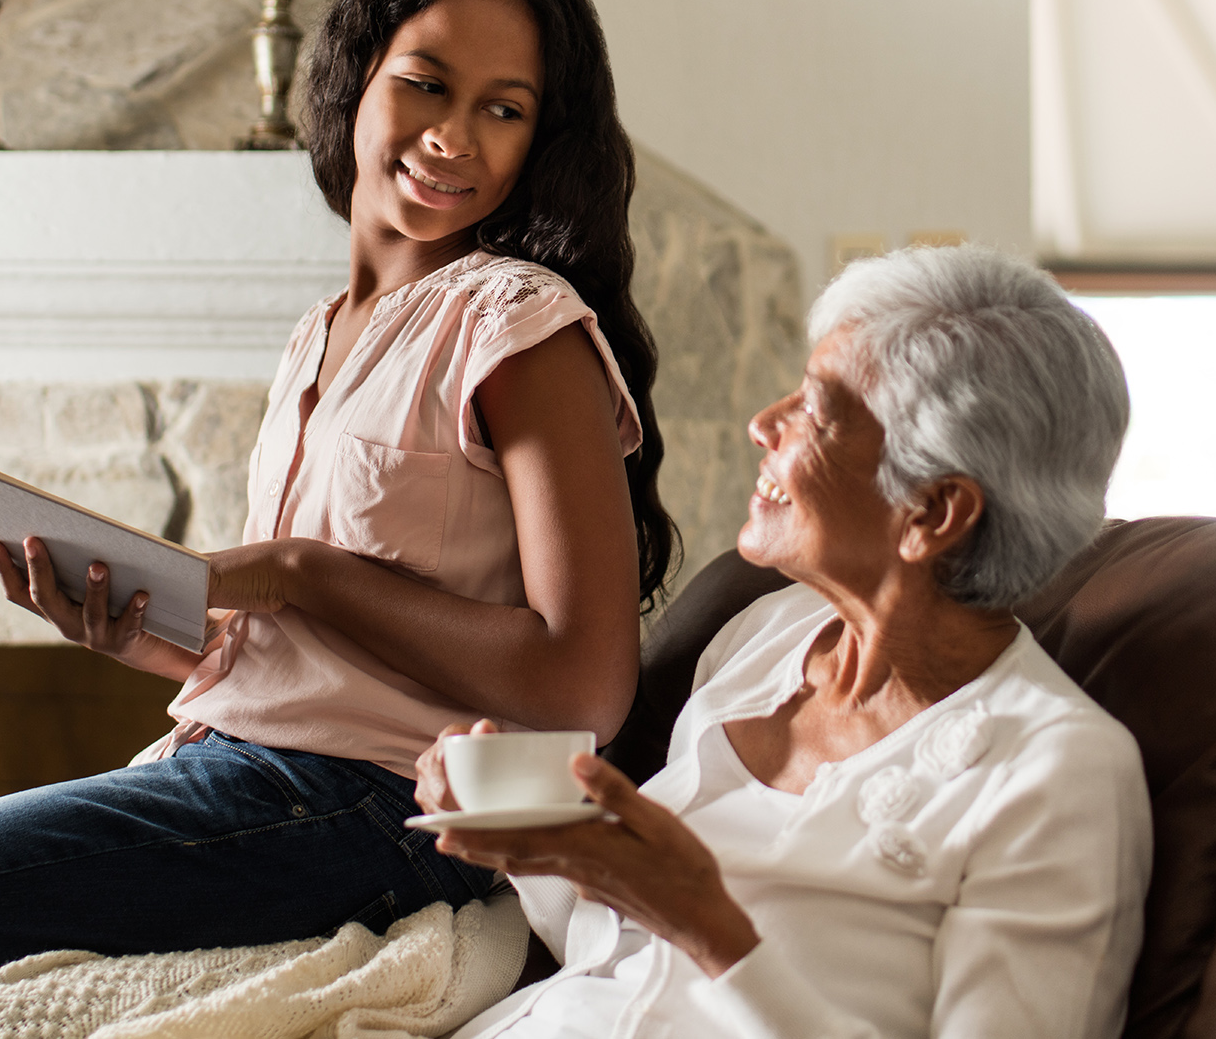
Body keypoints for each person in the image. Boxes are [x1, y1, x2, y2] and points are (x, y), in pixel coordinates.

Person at [0, 0, 677, 1039]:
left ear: (541, 137)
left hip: (367, 807)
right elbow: (293, 660)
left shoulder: (517, 324)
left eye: (503, 108)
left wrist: (299, 571)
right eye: (427, 85)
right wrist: (134, 624)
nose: (453, 136)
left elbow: (583, 683)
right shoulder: (318, 335)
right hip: (238, 769)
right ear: (356, 77)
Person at [420, 245, 1152, 1039]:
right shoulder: (765, 638)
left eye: (816, 409)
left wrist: (709, 924)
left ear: (934, 512)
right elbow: (611, 959)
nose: (763, 423)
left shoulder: (1057, 773)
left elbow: (686, 932)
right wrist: (534, 829)